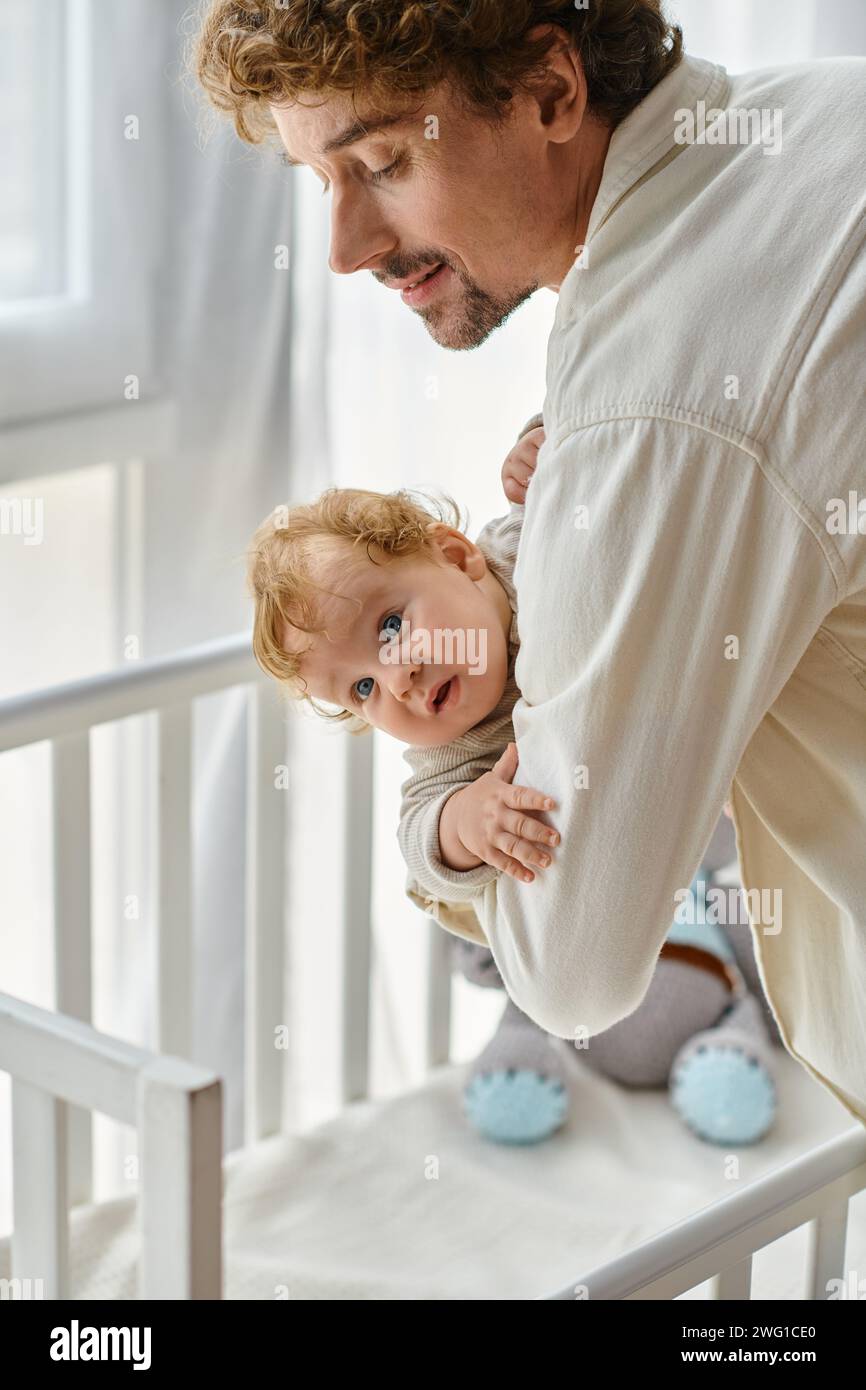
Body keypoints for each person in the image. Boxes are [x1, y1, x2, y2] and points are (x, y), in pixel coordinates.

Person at [195, 2, 866, 1125]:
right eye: (324, 184)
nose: (343, 248)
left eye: (382, 162)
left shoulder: (642, 416)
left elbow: (573, 968)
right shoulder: (826, 109)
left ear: (550, 92)